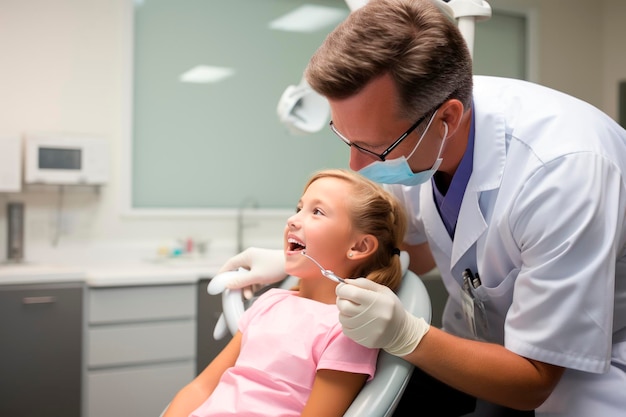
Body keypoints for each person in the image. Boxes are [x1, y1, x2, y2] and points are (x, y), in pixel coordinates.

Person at [212, 0, 626, 416]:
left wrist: (407, 334)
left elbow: (534, 379)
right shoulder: (417, 139)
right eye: (346, 139)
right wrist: (304, 262)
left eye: (375, 147)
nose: (358, 166)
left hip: (589, 366)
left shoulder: (562, 171)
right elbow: (417, 253)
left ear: (447, 118)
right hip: (482, 348)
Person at [163, 169, 407, 417]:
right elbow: (201, 388)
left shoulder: (348, 329)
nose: (293, 219)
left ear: (359, 246)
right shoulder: (269, 302)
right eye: (299, 207)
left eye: (317, 212)